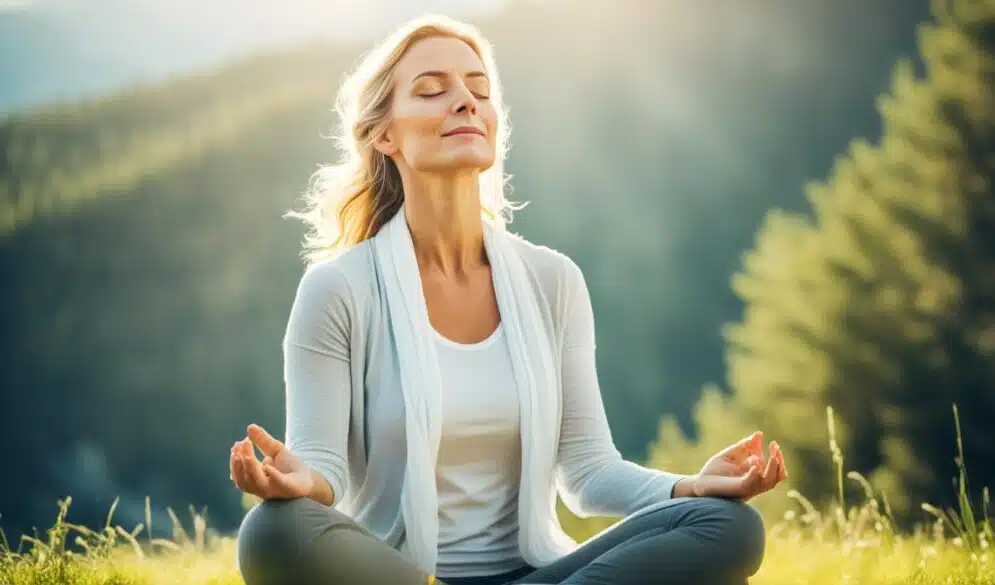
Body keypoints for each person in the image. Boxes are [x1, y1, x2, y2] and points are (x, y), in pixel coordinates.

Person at [228, 13, 787, 585]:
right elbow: (323, 470)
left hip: (537, 575)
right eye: (431, 90)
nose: (467, 102)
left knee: (727, 526)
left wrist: (688, 486)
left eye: (480, 90)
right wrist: (301, 484)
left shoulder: (553, 281)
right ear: (384, 134)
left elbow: (589, 470)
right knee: (275, 532)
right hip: (399, 575)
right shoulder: (338, 289)